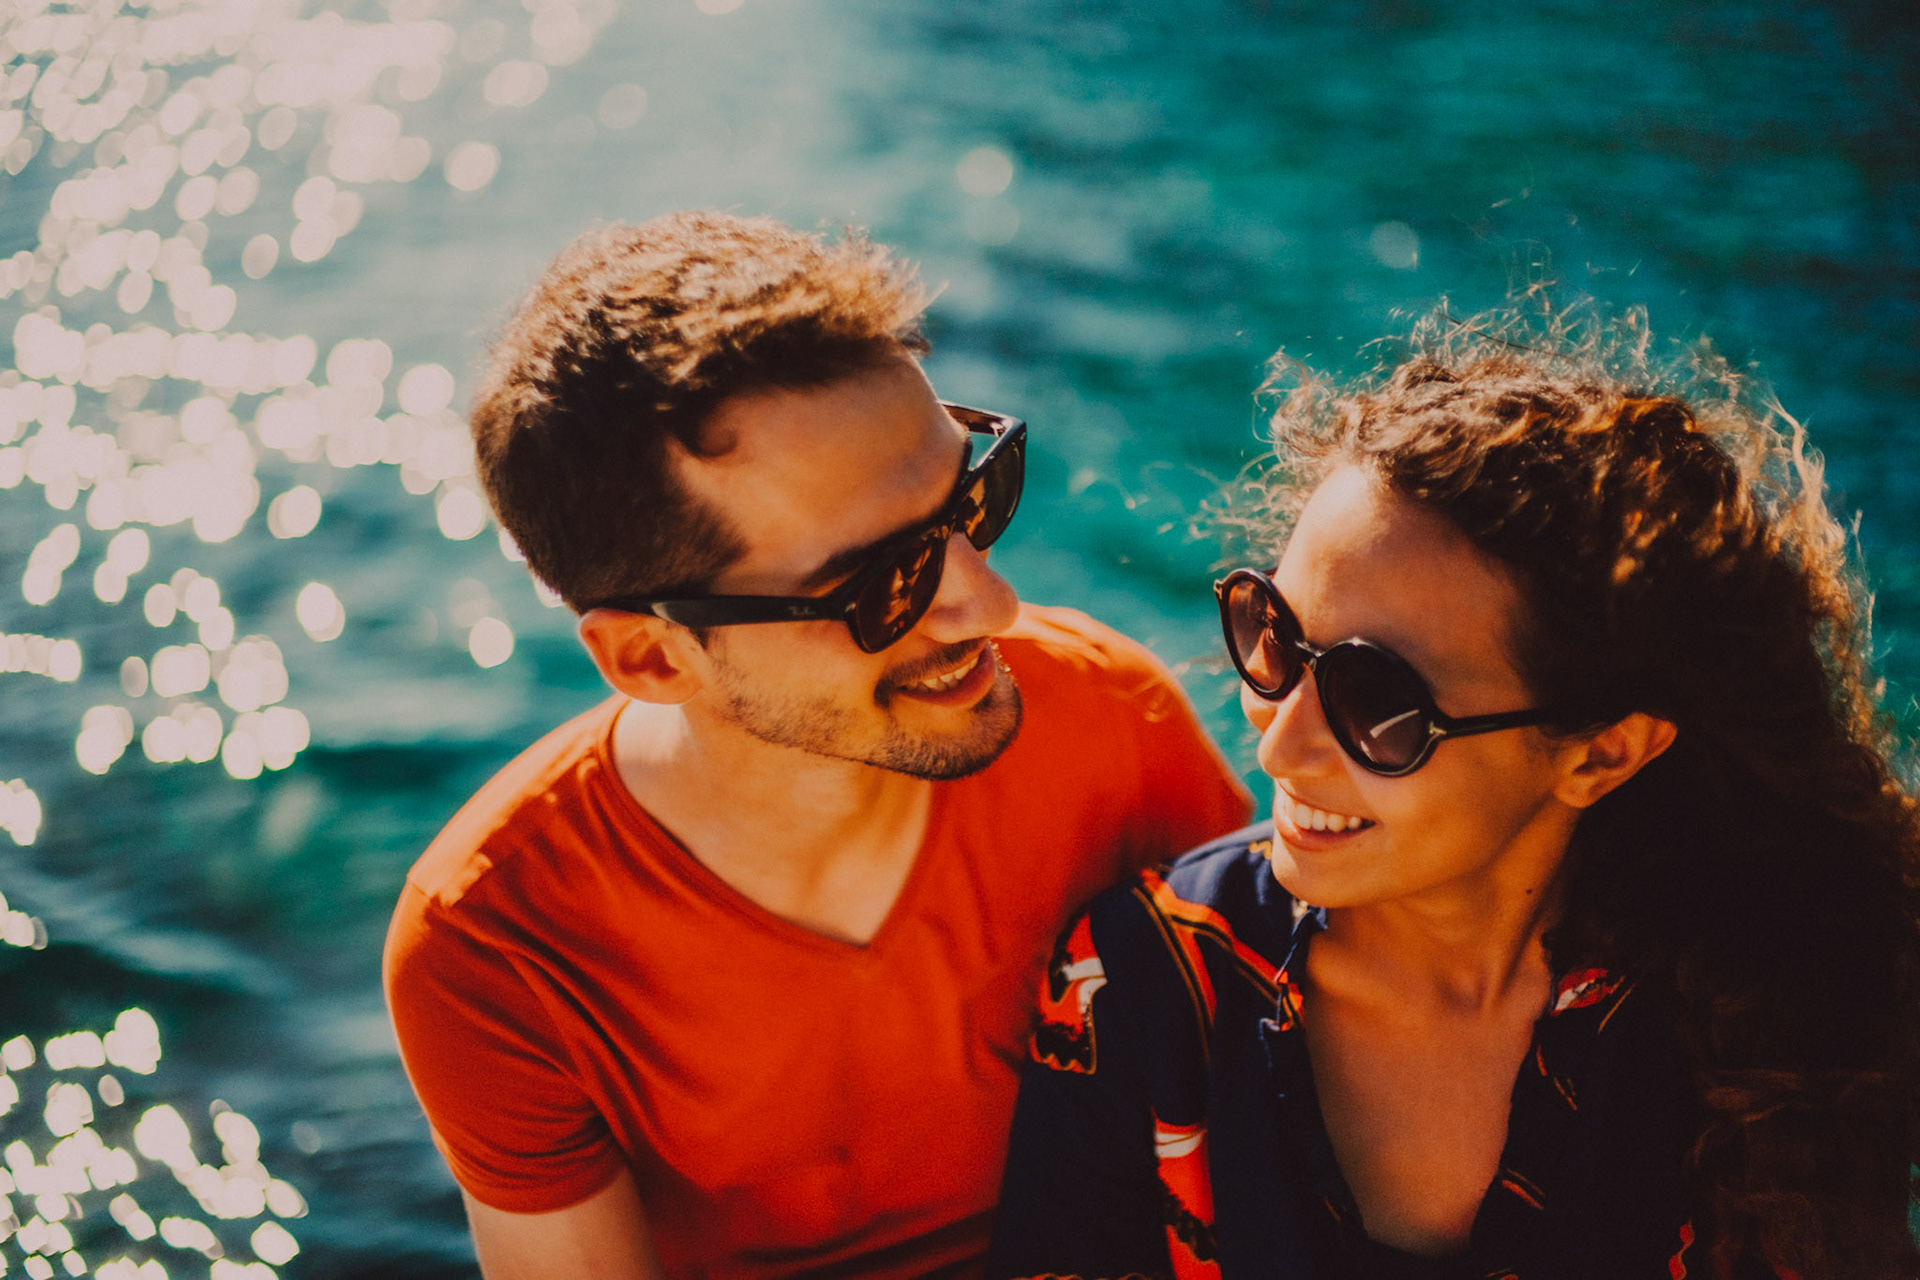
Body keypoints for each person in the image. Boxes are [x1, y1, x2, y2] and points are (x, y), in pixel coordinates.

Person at [382, 211, 1252, 1280]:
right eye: (884, 582)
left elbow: (1287, 1091)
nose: (990, 603)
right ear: (655, 659)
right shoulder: (495, 944)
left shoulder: (1109, 716)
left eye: (976, 498)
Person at [989, 314, 1920, 1280]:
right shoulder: (1144, 990)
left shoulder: (1773, 1018)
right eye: (1274, 633)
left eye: (1377, 701)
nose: (1283, 741)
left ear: (1602, 754)